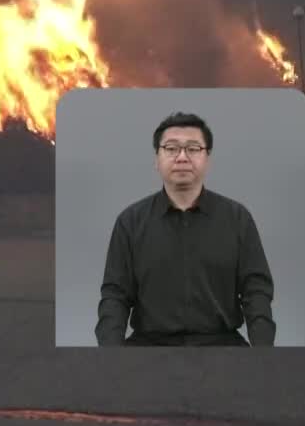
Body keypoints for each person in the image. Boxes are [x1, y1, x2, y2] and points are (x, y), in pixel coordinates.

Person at [96, 111, 276, 346]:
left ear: (207, 158)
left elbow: (256, 291)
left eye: (193, 148)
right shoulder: (130, 222)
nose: (182, 157)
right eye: (171, 149)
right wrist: (110, 355)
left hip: (222, 347)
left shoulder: (237, 219)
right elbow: (115, 295)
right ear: (157, 159)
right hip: (148, 349)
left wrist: (264, 353)